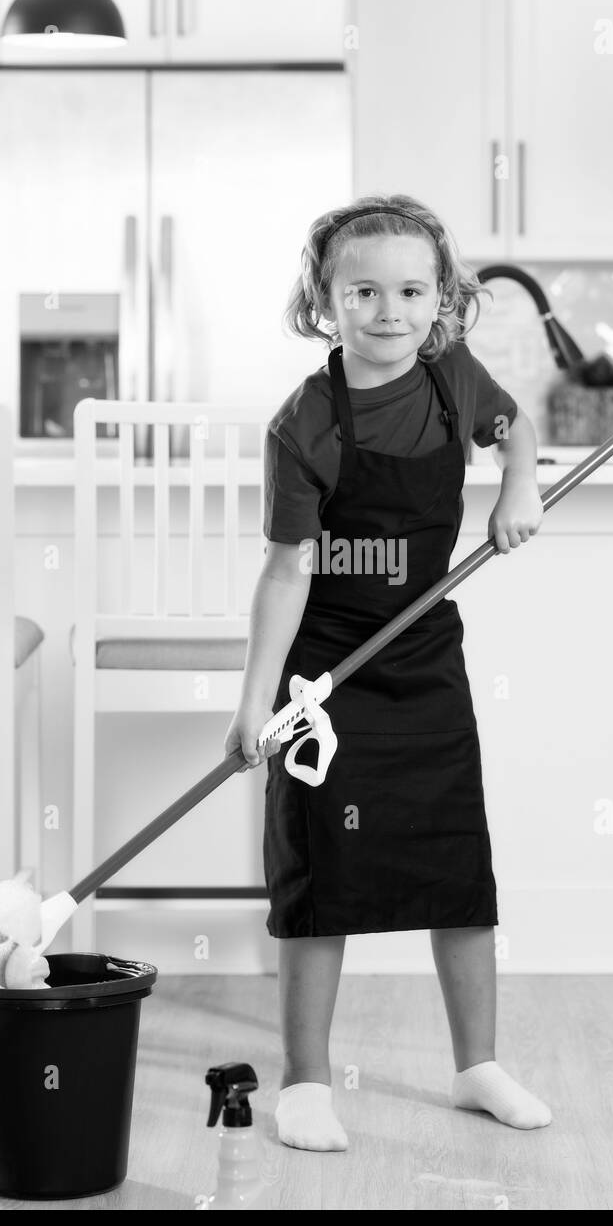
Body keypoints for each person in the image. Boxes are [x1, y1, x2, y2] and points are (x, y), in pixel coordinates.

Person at [225, 194, 550, 1151]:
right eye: (362, 290)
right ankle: (307, 1084)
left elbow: (515, 430)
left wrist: (518, 488)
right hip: (324, 673)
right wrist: (255, 707)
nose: (389, 310)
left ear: (441, 298)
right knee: (318, 875)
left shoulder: (454, 377)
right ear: (325, 301)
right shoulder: (306, 423)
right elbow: (286, 574)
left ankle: (476, 1065)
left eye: (411, 290)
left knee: (458, 862)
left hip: (423, 655)